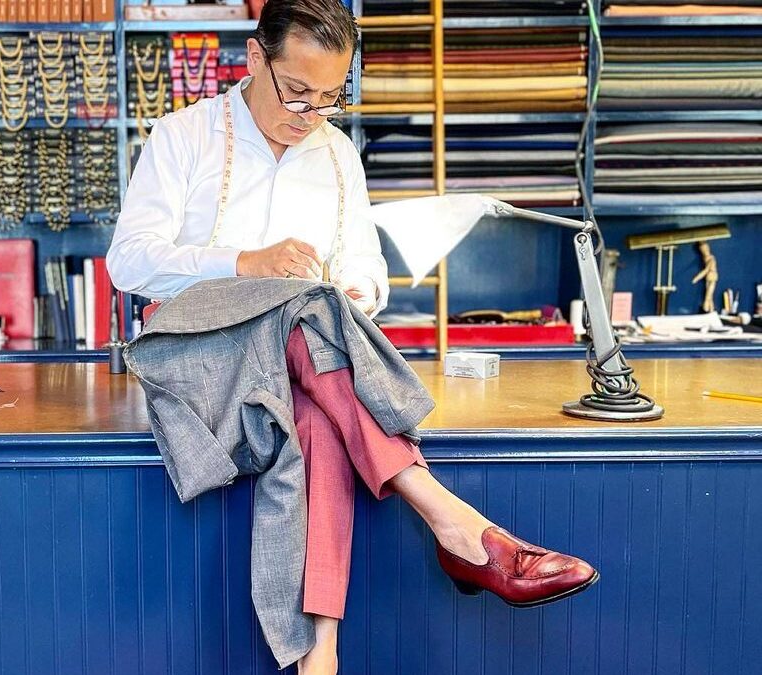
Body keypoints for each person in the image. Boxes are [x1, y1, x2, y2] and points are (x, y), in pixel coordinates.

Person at [106, 0, 599, 671]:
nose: (310, 113)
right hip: (205, 370)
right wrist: (244, 263)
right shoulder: (183, 136)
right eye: (296, 91)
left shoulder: (338, 154)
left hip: (306, 369)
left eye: (328, 97)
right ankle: (454, 522)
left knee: (319, 410)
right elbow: (129, 262)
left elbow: (367, 267)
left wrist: (357, 293)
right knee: (304, 311)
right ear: (255, 59)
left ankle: (322, 658)